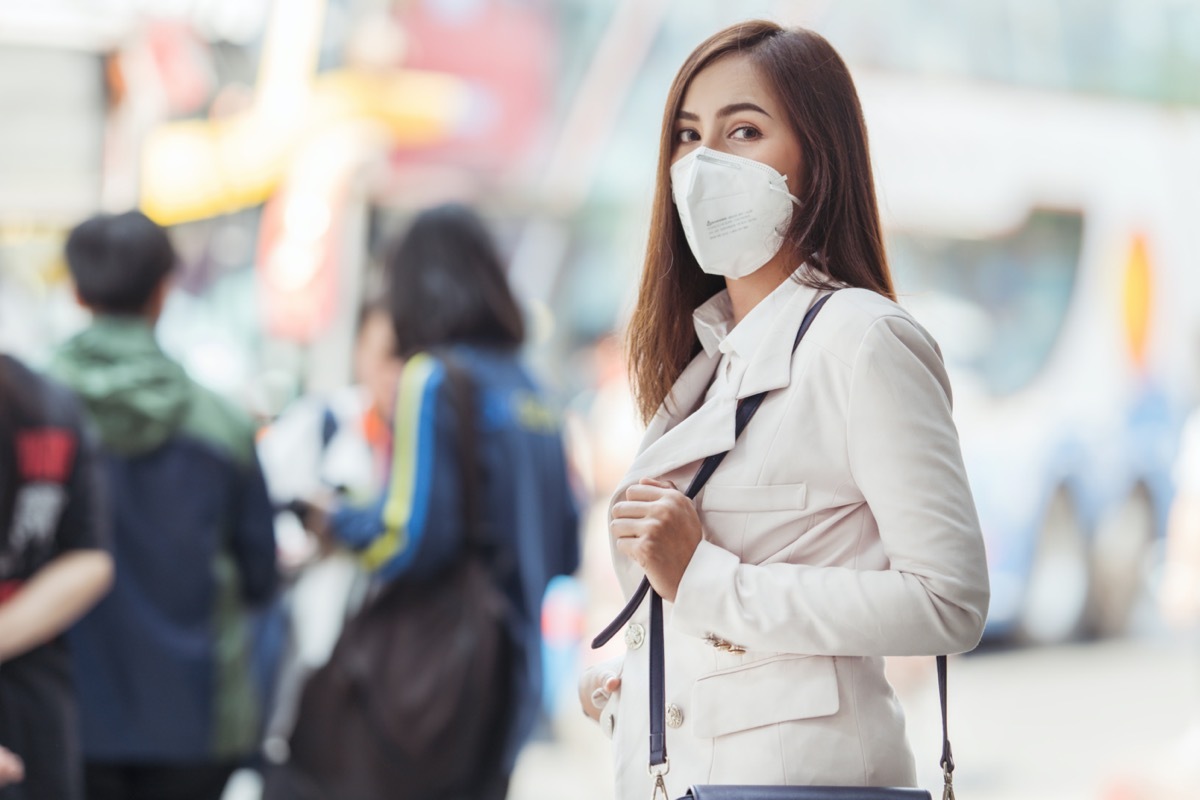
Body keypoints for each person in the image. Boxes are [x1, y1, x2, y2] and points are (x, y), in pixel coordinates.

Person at [577, 21, 990, 798]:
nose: (704, 165)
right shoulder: (708, 361)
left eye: (744, 131)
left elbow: (949, 601)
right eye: (688, 135)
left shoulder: (862, 342)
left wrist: (701, 578)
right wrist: (647, 687)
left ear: (817, 157)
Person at [325, 203, 581, 799]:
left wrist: (337, 518)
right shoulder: (536, 389)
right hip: (516, 673)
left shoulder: (433, 378)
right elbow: (565, 546)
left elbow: (407, 537)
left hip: (440, 674)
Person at [48, 210, 279, 800]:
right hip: (194, 716)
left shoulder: (29, 415)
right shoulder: (224, 425)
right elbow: (260, 574)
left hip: (60, 710)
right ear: (163, 291)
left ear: (76, 291)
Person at [0, 353, 113, 800]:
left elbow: (90, 558)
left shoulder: (48, 405)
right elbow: (89, 557)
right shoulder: (49, 402)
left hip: (30, 701)